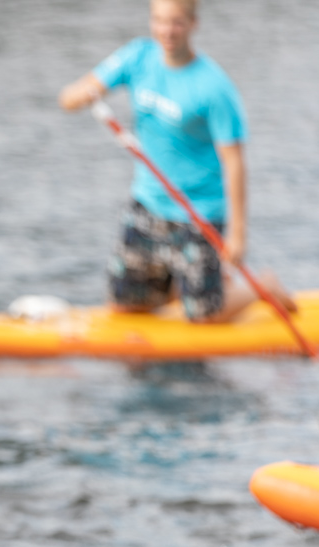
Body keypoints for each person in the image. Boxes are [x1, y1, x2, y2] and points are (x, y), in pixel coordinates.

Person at [58, 0, 295, 324]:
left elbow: (235, 162)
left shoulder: (213, 87)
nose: (166, 31)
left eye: (176, 23)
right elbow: (69, 97)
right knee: (124, 305)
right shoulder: (137, 57)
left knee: (202, 315)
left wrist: (238, 235)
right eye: (159, 21)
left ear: (193, 24)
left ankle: (262, 287)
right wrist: (83, 95)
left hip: (198, 213)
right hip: (148, 203)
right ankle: (192, 281)